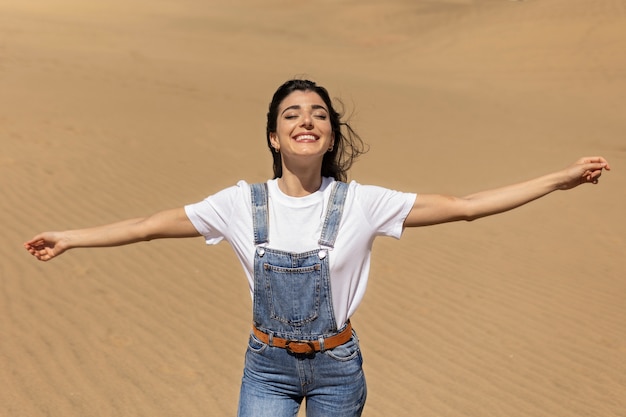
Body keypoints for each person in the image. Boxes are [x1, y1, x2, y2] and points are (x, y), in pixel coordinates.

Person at [24, 79, 610, 417]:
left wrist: (557, 179)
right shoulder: (239, 204)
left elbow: (464, 205)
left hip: (336, 369)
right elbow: (150, 224)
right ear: (274, 137)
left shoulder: (362, 202)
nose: (307, 121)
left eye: (319, 114)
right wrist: (72, 237)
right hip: (266, 369)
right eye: (292, 114)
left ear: (329, 134)